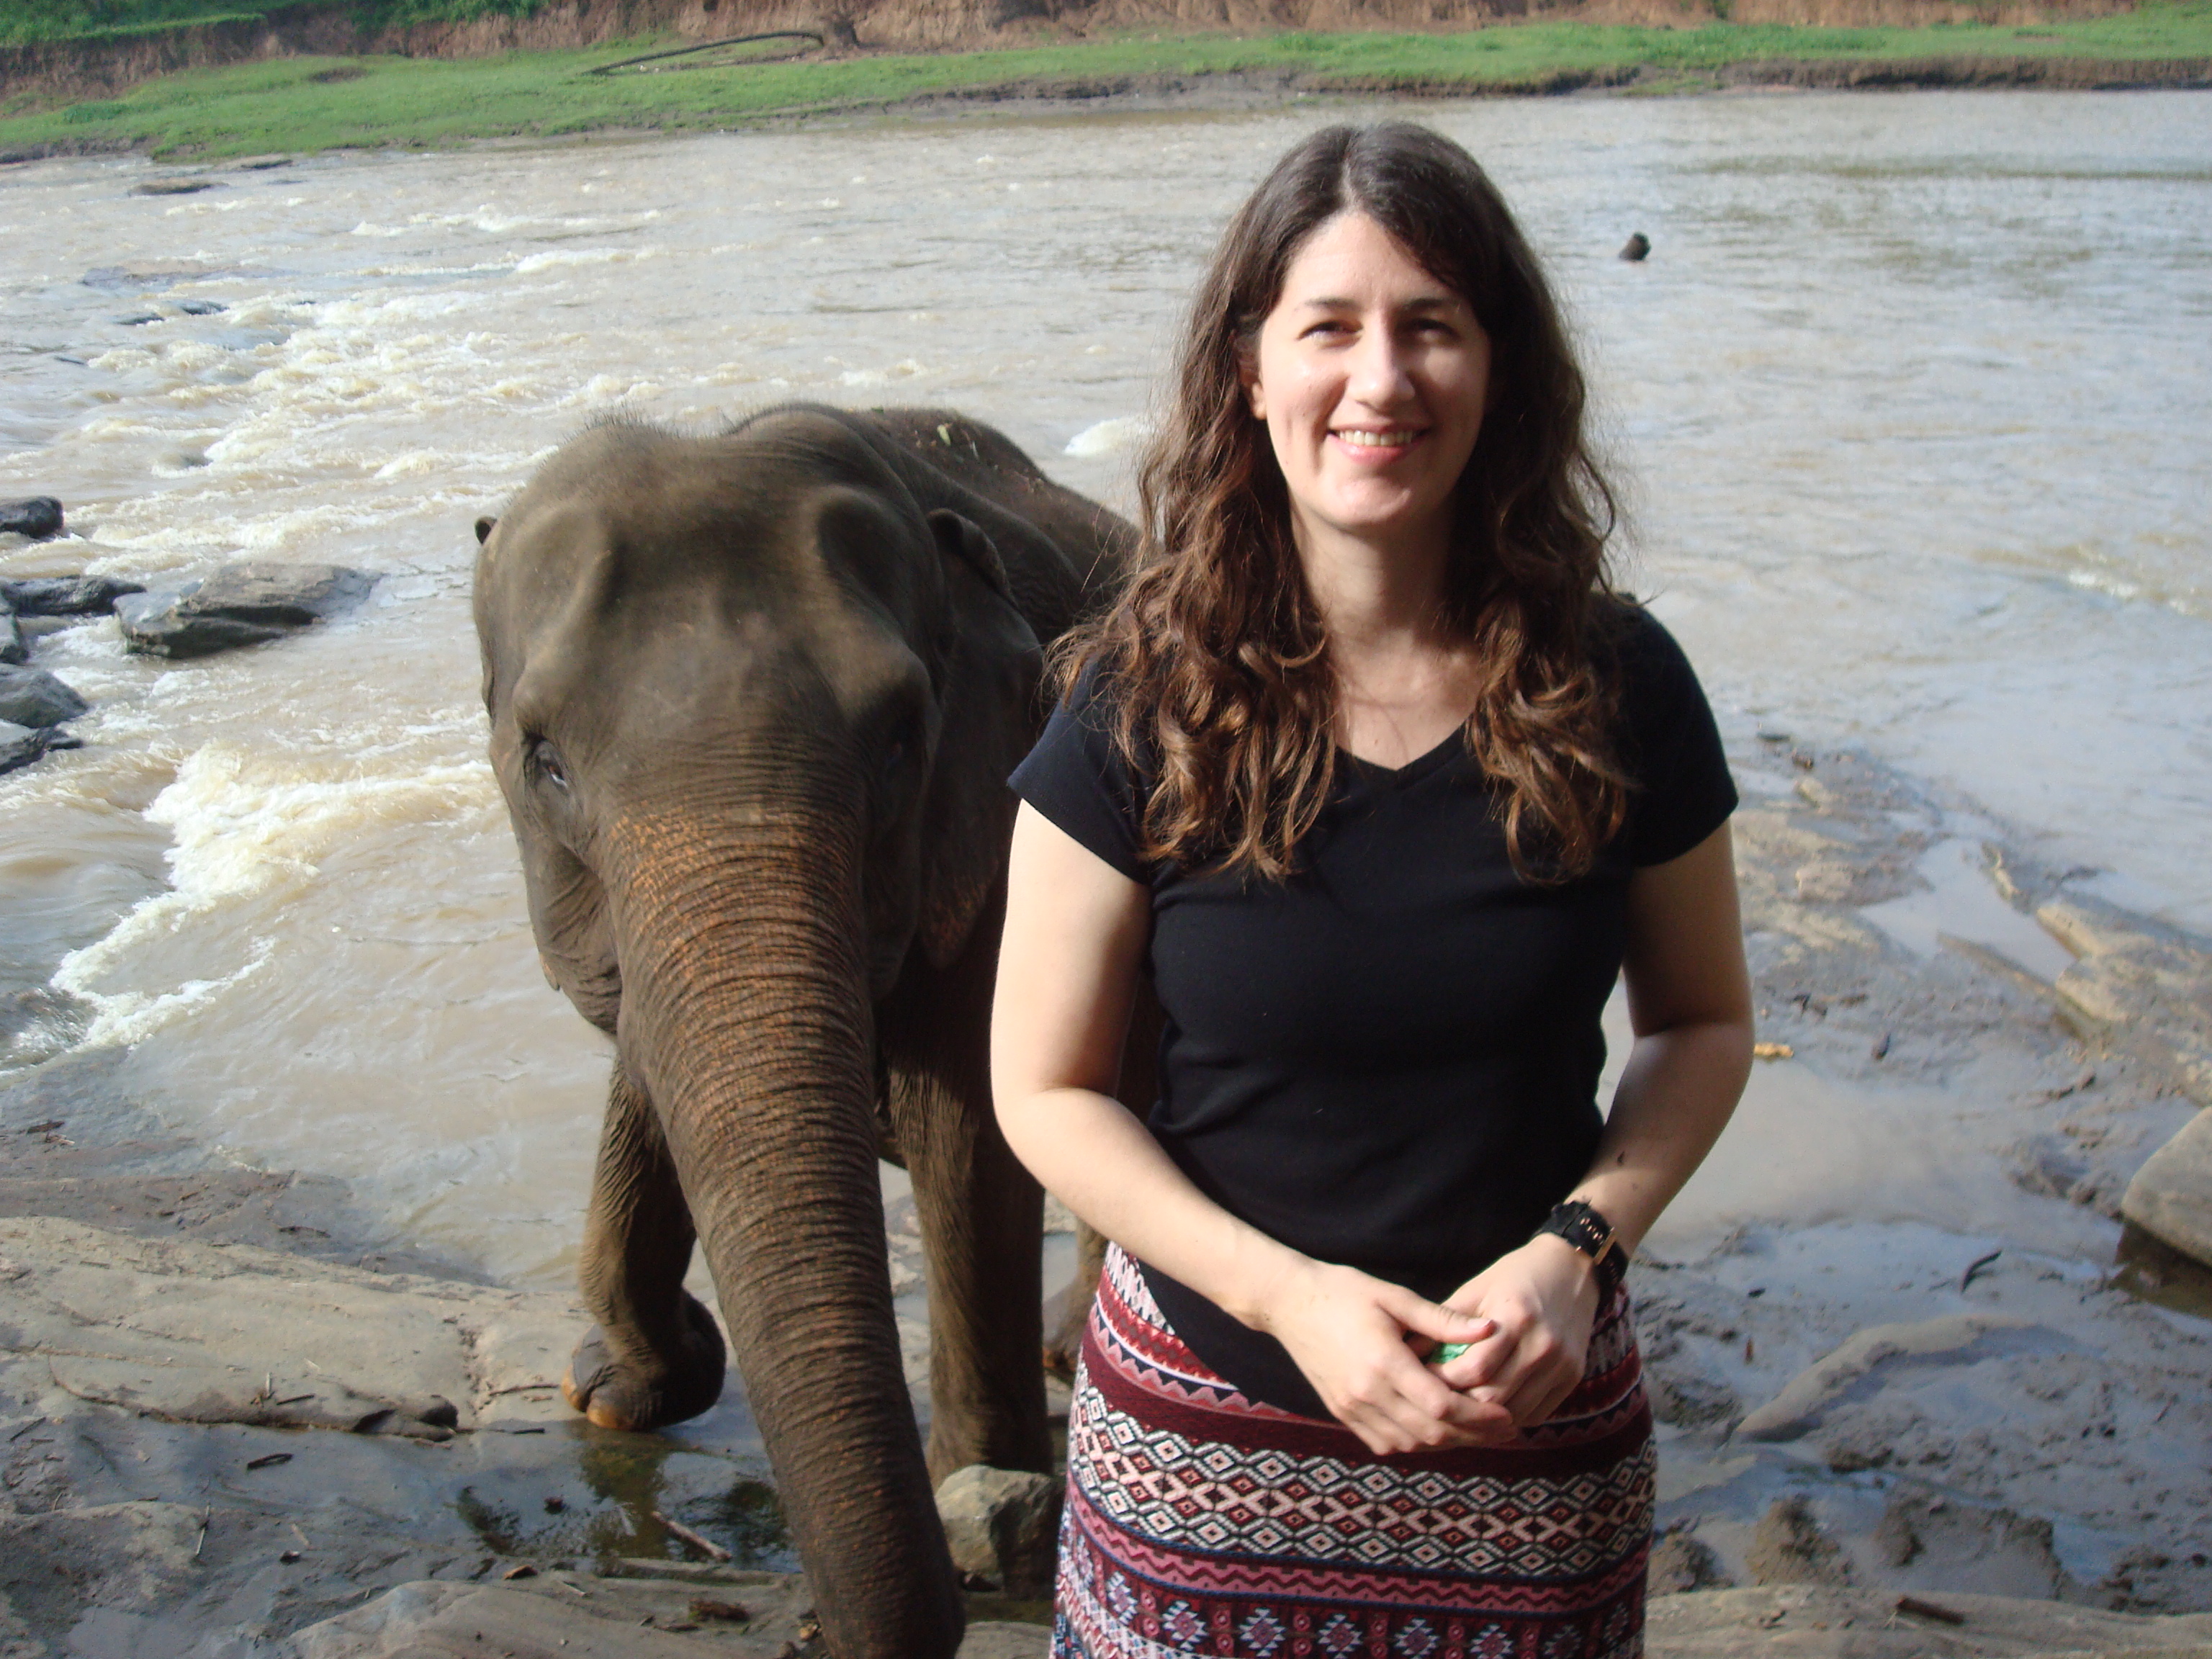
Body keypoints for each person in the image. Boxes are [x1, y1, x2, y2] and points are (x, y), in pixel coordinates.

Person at [991, 122, 1753, 1659]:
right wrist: (1291, 1301)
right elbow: (1044, 1089)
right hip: (1209, 1457)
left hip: (1527, 1443)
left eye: (1432, 327)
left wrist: (1578, 1253)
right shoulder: (1140, 701)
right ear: (1251, 374)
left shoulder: (1621, 685)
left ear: (1502, 370)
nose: (1382, 380)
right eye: (1330, 328)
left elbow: (1706, 1026)